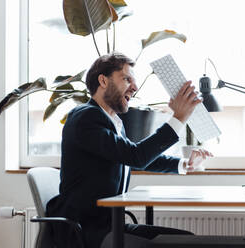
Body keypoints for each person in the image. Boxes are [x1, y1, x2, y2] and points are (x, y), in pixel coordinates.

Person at [46, 52, 212, 248]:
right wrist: (179, 118)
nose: (134, 87)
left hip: (109, 227)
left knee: (185, 239)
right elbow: (136, 156)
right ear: (103, 81)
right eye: (126, 79)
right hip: (87, 232)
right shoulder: (85, 118)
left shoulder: (113, 121)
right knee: (180, 244)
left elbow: (132, 155)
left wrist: (184, 164)